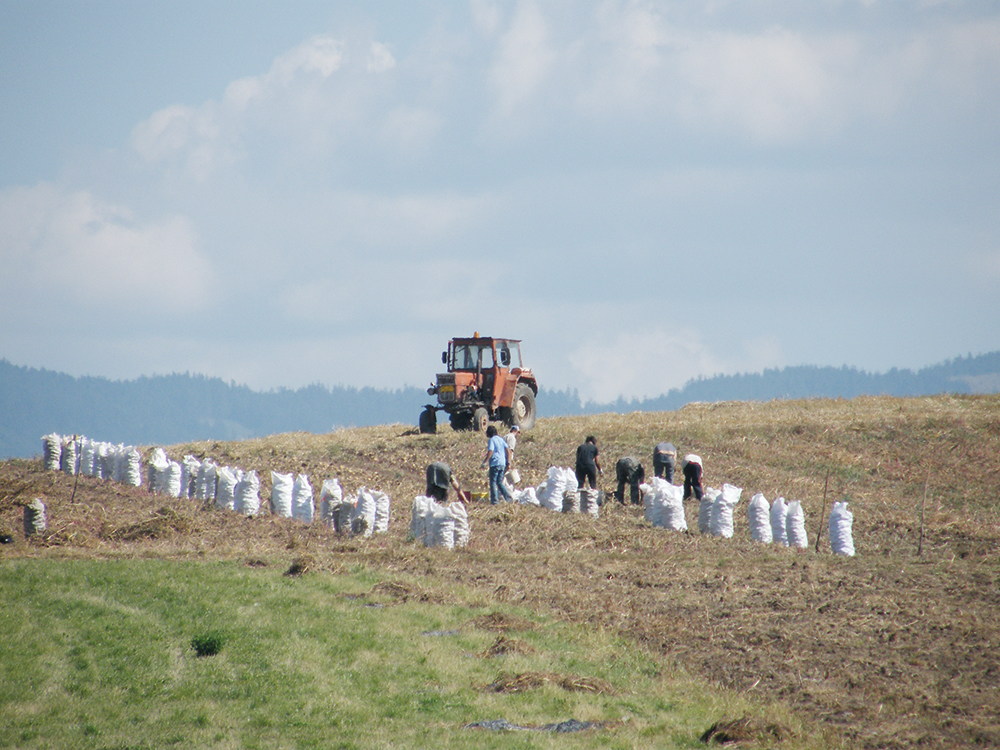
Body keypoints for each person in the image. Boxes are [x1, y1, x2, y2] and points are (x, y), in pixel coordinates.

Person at [482, 425, 512, 504]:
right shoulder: (501, 439)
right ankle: (509, 498)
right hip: (502, 464)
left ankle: (494, 501)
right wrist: (508, 462)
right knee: (499, 482)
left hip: (495, 464)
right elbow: (508, 451)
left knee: (493, 482)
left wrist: (485, 461)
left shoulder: (491, 440)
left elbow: (491, 451)